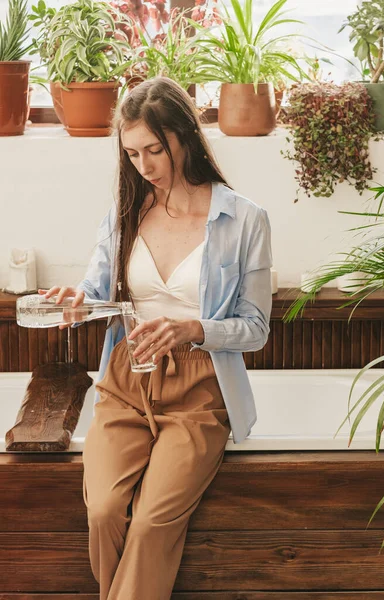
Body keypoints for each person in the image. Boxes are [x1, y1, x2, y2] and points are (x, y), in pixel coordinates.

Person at [39, 76, 273, 600]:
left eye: (153, 150)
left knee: (149, 524)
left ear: (184, 137)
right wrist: (75, 303)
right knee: (102, 510)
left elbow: (256, 330)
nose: (143, 166)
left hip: (198, 393)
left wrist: (193, 328)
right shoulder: (125, 214)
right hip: (125, 381)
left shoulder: (245, 220)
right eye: (131, 154)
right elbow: (99, 293)